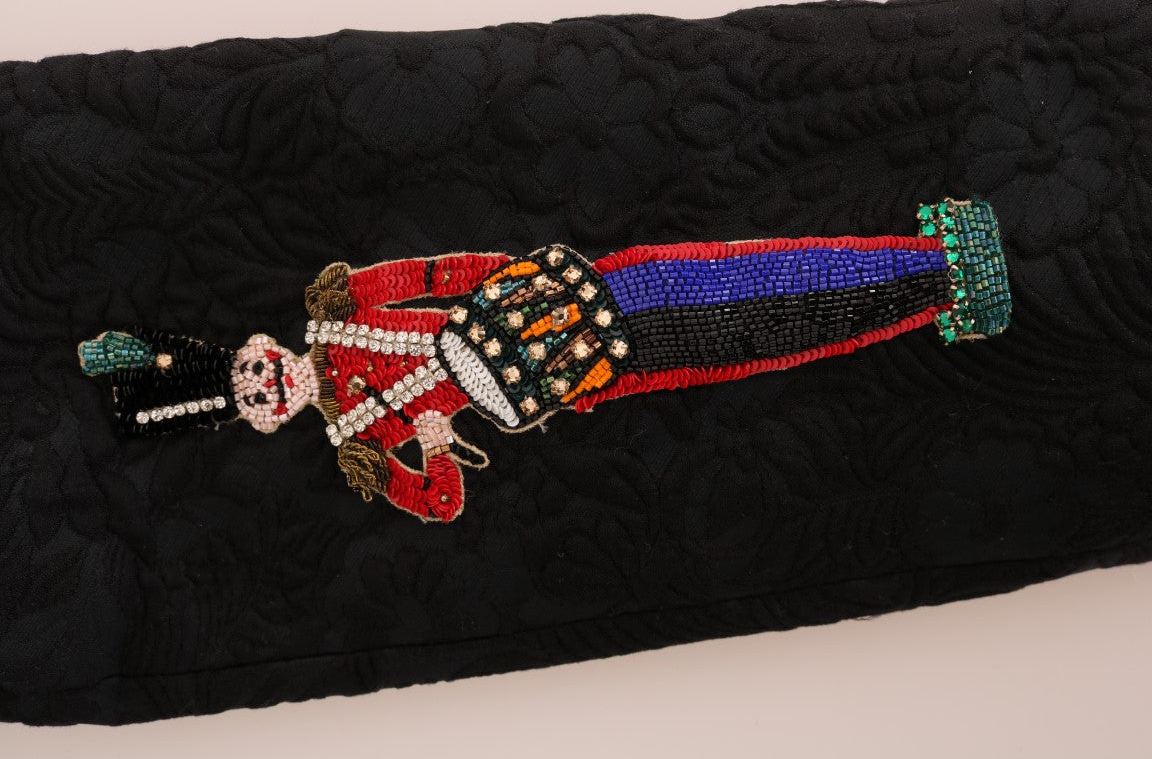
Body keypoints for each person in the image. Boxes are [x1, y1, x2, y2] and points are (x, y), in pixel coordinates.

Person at [79, 198, 1011, 523]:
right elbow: (438, 503)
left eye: (254, 372)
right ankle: (939, 296)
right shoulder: (361, 442)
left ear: (257, 349)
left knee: (734, 269)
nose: (270, 385)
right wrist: (432, 441)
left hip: (570, 295)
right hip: (585, 372)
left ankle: (927, 255)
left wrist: (509, 280)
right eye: (257, 401)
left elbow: (433, 274)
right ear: (263, 419)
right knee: (748, 340)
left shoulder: (341, 311)